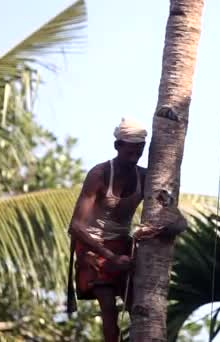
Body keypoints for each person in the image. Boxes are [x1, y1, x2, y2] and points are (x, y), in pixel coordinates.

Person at [66, 117, 156, 341]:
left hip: (121, 243)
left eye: (139, 151)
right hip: (91, 245)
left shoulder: (144, 177)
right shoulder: (100, 174)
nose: (134, 156)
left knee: (139, 303)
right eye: (129, 151)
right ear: (117, 146)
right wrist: (110, 257)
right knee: (108, 306)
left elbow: (161, 206)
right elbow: (75, 227)